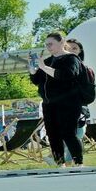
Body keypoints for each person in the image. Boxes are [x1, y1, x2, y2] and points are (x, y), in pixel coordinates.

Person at [30, 31, 86, 167]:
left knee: (68, 133)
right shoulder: (48, 61)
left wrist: (44, 67)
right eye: (46, 44)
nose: (48, 47)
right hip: (49, 104)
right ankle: (59, 163)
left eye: (51, 44)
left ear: (61, 42)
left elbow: (66, 75)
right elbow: (37, 80)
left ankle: (79, 162)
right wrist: (32, 69)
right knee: (53, 134)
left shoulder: (71, 58)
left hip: (68, 103)